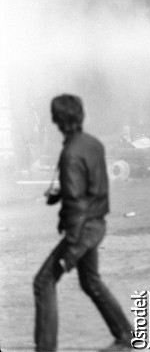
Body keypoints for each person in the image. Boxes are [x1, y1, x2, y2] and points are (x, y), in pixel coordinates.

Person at [33, 94, 133, 352]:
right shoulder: (93, 143)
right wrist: (61, 193)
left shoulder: (70, 153)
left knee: (43, 282)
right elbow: (90, 186)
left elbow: (77, 203)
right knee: (90, 282)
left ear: (57, 119)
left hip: (82, 230)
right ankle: (125, 336)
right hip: (97, 224)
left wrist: (71, 243)